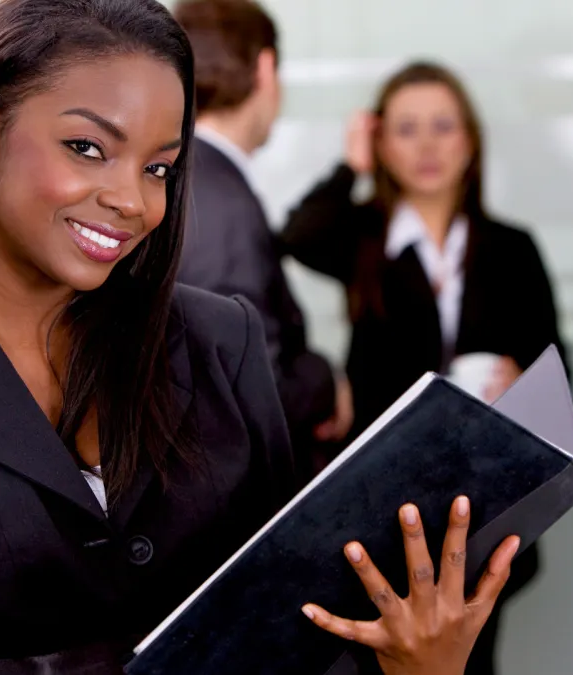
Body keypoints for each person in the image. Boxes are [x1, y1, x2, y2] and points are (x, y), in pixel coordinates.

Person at [0, 1, 520, 673]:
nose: (131, 201)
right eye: (88, 148)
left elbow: (296, 629)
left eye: (159, 168)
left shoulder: (218, 341)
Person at [281, 61, 567, 674]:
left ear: (470, 140)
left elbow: (555, 369)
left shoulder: (511, 248)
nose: (429, 145)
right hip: (385, 507)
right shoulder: (364, 238)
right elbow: (299, 234)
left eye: (443, 126)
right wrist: (350, 167)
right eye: (406, 129)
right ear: (382, 142)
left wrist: (523, 378)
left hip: (485, 511)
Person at [172, 0, 352, 481]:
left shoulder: (179, 178)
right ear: (266, 69)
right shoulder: (221, 201)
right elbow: (247, 383)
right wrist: (323, 382)